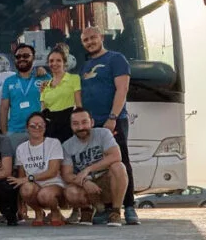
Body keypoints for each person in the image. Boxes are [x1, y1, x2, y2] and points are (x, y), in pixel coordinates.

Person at [80, 26, 138, 225]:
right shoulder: (85, 66)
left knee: (120, 162)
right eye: (85, 40)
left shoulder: (116, 59)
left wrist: (112, 117)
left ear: (101, 37)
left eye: (93, 38)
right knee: (98, 165)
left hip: (113, 120)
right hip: (92, 124)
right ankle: (104, 209)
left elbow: (122, 89)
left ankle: (128, 207)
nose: (90, 42)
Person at [62, 108, 128, 227]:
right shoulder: (67, 146)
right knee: (70, 192)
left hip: (106, 180)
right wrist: (85, 182)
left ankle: (115, 212)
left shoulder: (103, 133)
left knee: (119, 167)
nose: (80, 127)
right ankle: (87, 210)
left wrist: (88, 170)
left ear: (92, 122)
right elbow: (67, 175)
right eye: (75, 124)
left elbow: (116, 156)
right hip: (86, 185)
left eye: (84, 122)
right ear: (71, 126)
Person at [9, 112, 65, 226]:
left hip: (53, 184)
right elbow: (21, 177)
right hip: (33, 186)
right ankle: (38, 212)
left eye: (40, 125)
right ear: (27, 128)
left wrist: (29, 178)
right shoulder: (21, 148)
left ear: (45, 126)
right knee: (25, 189)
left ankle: (55, 211)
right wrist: (21, 203)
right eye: (33, 126)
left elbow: (53, 171)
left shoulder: (54, 143)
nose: (37, 128)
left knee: (45, 194)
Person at [0, 44, 51, 153]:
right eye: (18, 56)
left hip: (39, 130)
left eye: (26, 56)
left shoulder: (45, 77)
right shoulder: (9, 81)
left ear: (33, 57)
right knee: (16, 163)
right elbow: (4, 108)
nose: (22, 59)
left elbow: (52, 103)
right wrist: (5, 134)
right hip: (15, 132)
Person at [40, 47, 81, 144]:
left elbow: (79, 105)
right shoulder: (44, 85)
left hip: (68, 127)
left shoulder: (74, 78)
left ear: (64, 63)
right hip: (51, 129)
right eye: (51, 61)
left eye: (58, 60)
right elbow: (43, 110)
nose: (54, 63)